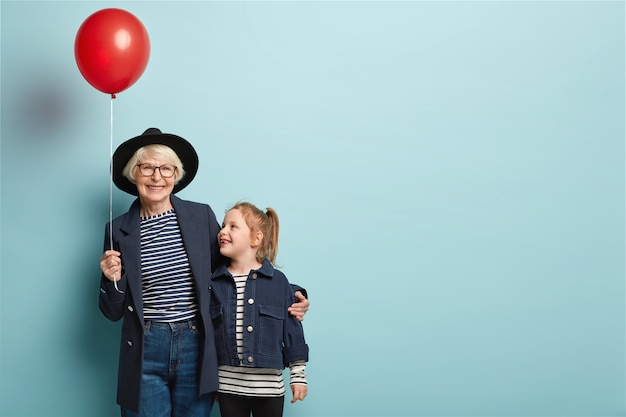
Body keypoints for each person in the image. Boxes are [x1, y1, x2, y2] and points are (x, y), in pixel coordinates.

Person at [98, 128, 310, 417]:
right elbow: (112, 311)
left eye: (166, 168)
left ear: (176, 174)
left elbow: (233, 270)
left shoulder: (201, 216)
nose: (157, 177)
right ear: (133, 174)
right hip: (146, 345)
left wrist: (290, 293)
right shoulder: (117, 230)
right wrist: (115, 279)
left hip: (197, 344)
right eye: (147, 167)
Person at [210, 202, 309, 417]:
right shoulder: (214, 283)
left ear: (256, 238)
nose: (222, 231)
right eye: (223, 225)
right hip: (228, 388)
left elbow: (293, 332)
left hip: (269, 390)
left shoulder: (278, 282)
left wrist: (298, 376)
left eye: (233, 226)